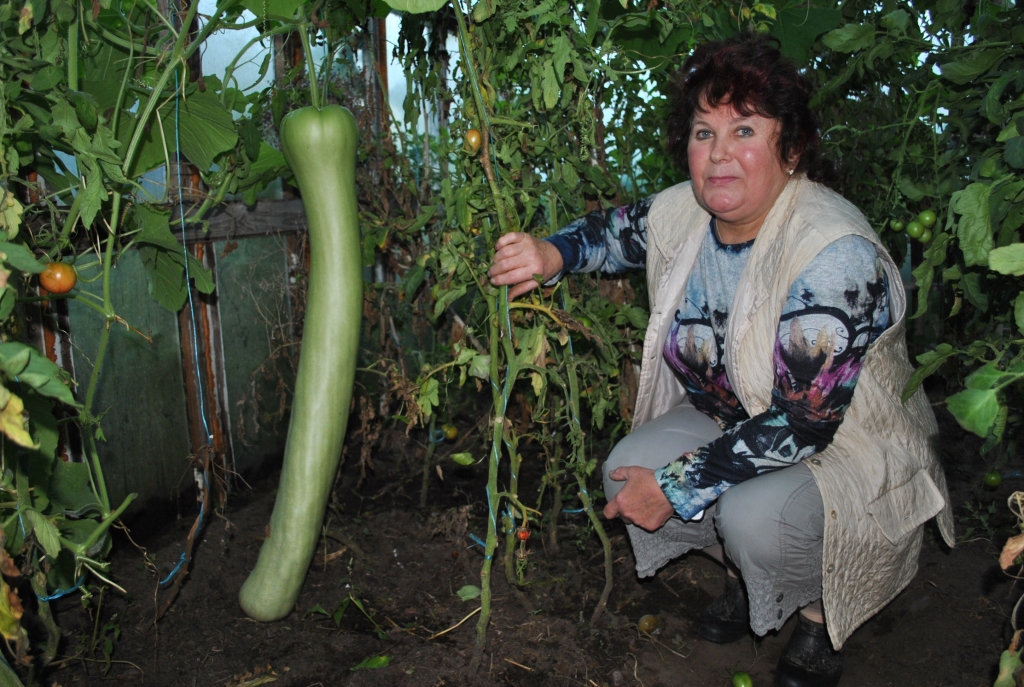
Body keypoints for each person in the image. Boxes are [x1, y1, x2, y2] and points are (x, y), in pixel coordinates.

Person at [487, 32, 954, 687]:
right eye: (703, 132)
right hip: (737, 421)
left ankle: (821, 615)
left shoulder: (832, 252)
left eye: (744, 130)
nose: (719, 155)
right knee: (628, 469)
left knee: (752, 517)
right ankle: (749, 578)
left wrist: (676, 485)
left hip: (847, 447)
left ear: (790, 148)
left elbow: (803, 424)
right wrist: (549, 254)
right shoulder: (685, 212)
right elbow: (613, 234)